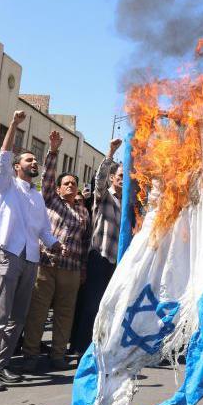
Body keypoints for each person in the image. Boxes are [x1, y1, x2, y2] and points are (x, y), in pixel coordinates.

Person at [0, 111, 59, 392]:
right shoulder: (6, 186)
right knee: (0, 317)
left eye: (35, 160)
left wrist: (55, 244)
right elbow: (2, 157)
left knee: (18, 318)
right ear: (16, 167)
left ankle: (2, 365)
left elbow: (44, 231)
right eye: (29, 159)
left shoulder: (37, 195)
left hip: (31, 259)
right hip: (8, 255)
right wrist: (13, 124)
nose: (34, 162)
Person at [22, 130, 87, 372]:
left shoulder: (83, 212)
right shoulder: (50, 200)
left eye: (74, 183)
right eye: (66, 183)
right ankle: (30, 355)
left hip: (71, 270)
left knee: (65, 313)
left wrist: (83, 269)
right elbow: (47, 178)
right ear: (58, 189)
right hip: (46, 265)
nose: (71, 186)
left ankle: (57, 355)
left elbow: (85, 242)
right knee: (38, 312)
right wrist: (53, 151)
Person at [71, 138, 123, 357]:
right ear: (113, 177)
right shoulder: (104, 196)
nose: (122, 180)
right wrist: (110, 152)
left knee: (109, 308)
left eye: (124, 177)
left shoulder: (127, 201)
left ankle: (101, 347)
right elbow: (99, 179)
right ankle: (80, 349)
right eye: (119, 176)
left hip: (117, 262)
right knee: (92, 305)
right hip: (99, 257)